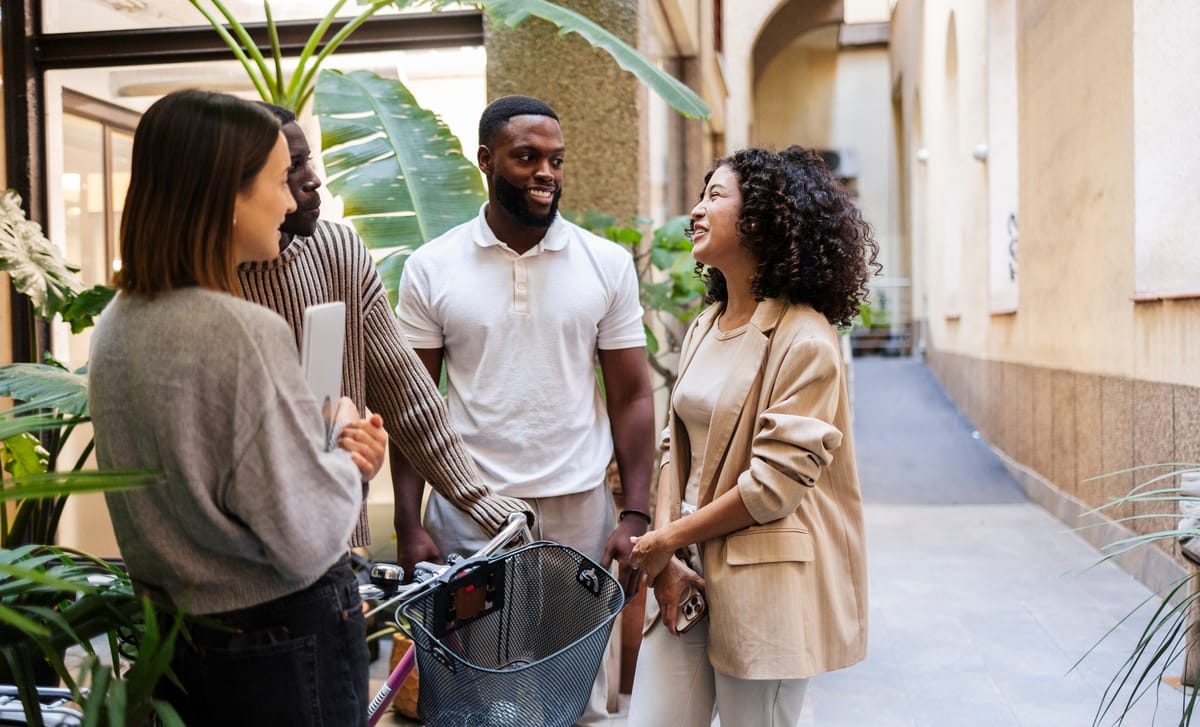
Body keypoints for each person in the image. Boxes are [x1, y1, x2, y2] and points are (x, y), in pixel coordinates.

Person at [88, 89, 387, 726]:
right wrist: (343, 455)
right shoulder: (242, 331)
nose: (290, 199)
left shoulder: (115, 326)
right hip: (280, 645)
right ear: (227, 193)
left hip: (176, 642)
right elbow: (304, 538)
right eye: (280, 180)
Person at [393, 95, 656, 723]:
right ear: (486, 160)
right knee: (473, 700)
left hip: (579, 520)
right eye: (527, 157)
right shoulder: (433, 267)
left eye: (556, 160)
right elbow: (411, 405)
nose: (546, 173)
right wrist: (409, 521)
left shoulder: (606, 263)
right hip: (469, 519)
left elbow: (631, 395)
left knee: (577, 700)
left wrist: (636, 511)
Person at [626, 146, 877, 726]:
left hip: (763, 583)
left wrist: (667, 539)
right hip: (685, 574)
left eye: (715, 196)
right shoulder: (703, 326)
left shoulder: (805, 339)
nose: (696, 209)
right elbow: (673, 447)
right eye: (699, 195)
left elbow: (772, 487)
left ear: (762, 218)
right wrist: (667, 554)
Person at [237, 103, 531, 555]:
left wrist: (480, 501)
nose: (313, 179)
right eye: (290, 170)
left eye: (307, 161)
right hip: (242, 554)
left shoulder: (337, 252)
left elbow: (408, 397)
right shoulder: (201, 290)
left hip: (333, 542)